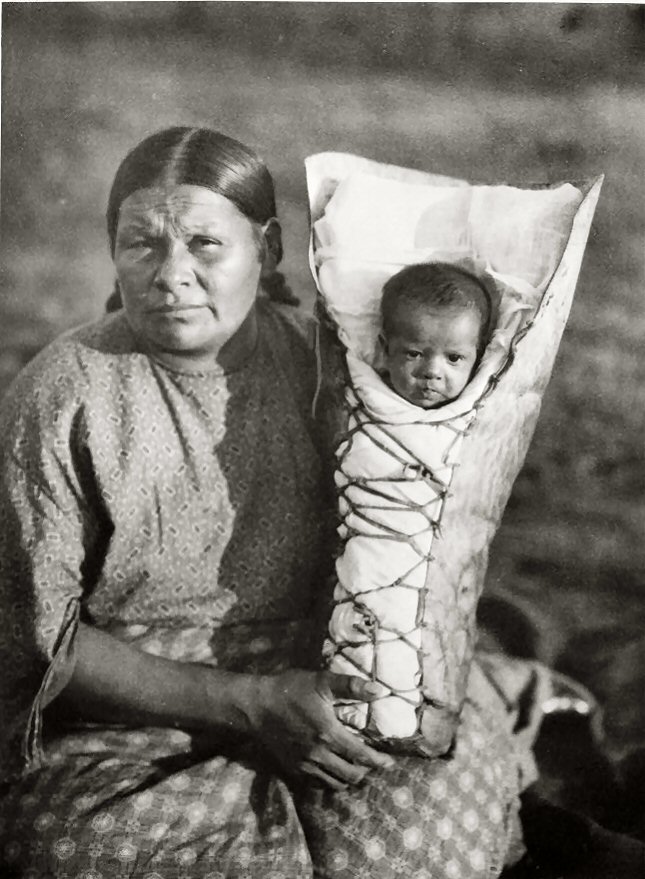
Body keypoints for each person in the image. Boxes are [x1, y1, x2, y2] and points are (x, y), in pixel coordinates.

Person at [0, 126, 573, 879]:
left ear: (267, 249)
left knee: (423, 833)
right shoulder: (64, 393)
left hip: (335, 695)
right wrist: (249, 702)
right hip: (134, 720)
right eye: (141, 243)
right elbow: (37, 640)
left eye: (205, 244)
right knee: (77, 847)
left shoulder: (335, 373)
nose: (171, 274)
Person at [379, 262, 492, 409]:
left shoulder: (485, 406)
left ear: (478, 356)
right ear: (386, 350)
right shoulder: (364, 393)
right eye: (414, 354)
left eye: (453, 358)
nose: (432, 371)